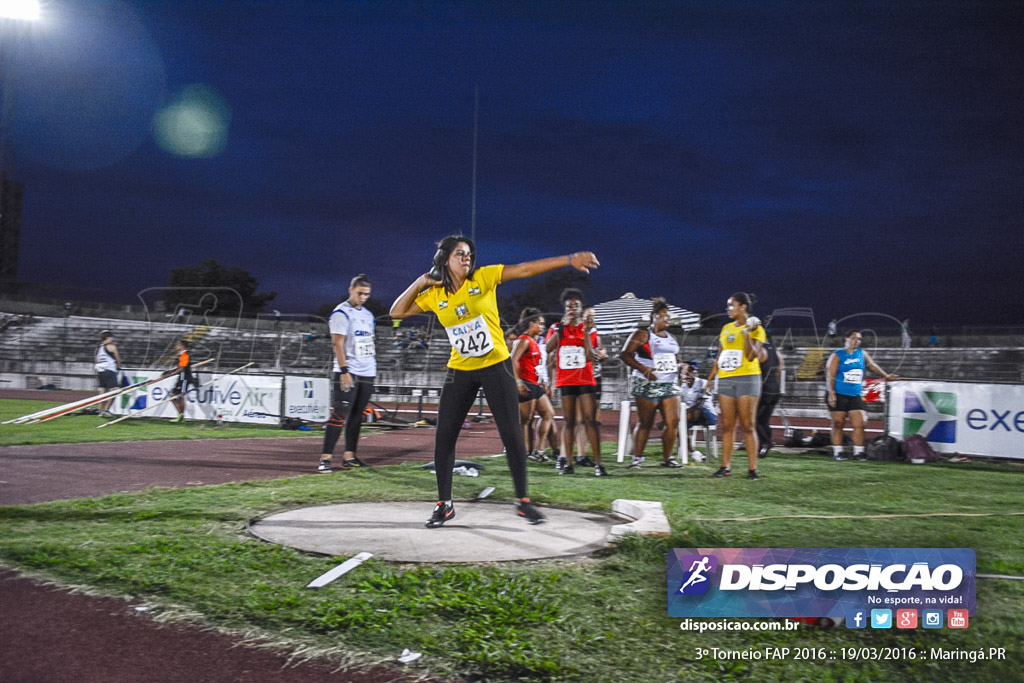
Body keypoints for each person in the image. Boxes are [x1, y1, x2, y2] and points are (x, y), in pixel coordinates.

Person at [390, 235, 599, 527]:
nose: (467, 258)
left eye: (470, 254)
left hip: (495, 365)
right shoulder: (435, 294)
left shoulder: (484, 277)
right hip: (459, 369)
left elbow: (524, 269)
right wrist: (421, 281)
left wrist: (568, 259)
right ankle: (444, 504)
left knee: (512, 433)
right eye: (460, 254)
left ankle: (523, 501)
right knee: (444, 437)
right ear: (445, 258)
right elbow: (396, 312)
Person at [317, 274, 377, 473]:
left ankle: (349, 456)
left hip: (367, 370)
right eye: (360, 293)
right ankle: (325, 458)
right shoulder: (341, 314)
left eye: (366, 294)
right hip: (348, 370)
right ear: (351, 290)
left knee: (357, 415)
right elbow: (338, 343)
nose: (363, 298)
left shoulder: (368, 315)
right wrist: (344, 371)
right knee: (340, 412)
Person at [546, 288, 608, 477]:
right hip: (566, 380)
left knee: (590, 421)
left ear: (581, 308)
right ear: (564, 309)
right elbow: (548, 348)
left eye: (576, 306)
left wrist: (587, 333)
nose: (573, 309)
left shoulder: (587, 328)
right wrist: (562, 329)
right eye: (569, 306)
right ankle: (568, 463)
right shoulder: (557, 327)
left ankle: (598, 464)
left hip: (585, 379)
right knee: (569, 421)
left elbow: (590, 356)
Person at [705, 292, 766, 480]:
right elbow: (720, 355)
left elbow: (750, 355)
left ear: (743, 307)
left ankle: (752, 469)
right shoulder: (726, 328)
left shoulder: (756, 328)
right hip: (726, 379)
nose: (728, 309)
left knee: (748, 425)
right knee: (727, 426)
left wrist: (747, 333)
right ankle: (725, 466)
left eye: (731, 305)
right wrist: (710, 378)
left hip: (748, 378)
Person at [620, 298, 683, 468]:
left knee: (673, 422)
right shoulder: (642, 334)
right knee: (645, 423)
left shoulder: (672, 338)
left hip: (669, 384)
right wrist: (643, 369)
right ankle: (637, 458)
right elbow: (625, 354)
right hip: (647, 384)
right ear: (655, 316)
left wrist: (681, 366)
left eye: (669, 316)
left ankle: (667, 458)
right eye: (664, 316)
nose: (667, 319)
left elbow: (676, 359)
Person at [825, 330, 898, 461]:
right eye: (853, 338)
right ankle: (838, 451)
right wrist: (831, 393)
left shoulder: (862, 354)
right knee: (838, 423)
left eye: (859, 339)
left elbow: (872, 366)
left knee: (861, 422)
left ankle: (858, 452)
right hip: (838, 393)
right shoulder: (837, 355)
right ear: (846, 339)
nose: (856, 341)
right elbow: (830, 374)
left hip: (855, 394)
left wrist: (886, 376)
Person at [510, 308, 549, 458]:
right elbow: (513, 361)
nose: (542, 327)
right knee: (526, 420)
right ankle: (523, 452)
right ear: (531, 323)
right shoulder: (524, 340)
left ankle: (539, 450)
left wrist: (543, 380)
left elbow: (535, 364)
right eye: (540, 323)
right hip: (525, 382)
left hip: (535, 383)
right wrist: (518, 382)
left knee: (548, 413)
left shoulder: (534, 341)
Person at [756, 334, 785, 458]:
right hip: (775, 389)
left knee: (753, 420)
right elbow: (779, 371)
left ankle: (765, 442)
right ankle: (763, 445)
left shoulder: (760, 350)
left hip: (764, 389)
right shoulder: (777, 352)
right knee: (764, 420)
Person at [679, 361, 717, 452]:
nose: (688, 373)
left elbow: (701, 402)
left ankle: (682, 418)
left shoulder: (702, 383)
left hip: (706, 414)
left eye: (691, 371)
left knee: (696, 411)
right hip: (690, 416)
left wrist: (685, 413)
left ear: (696, 372)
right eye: (687, 371)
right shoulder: (683, 385)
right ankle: (693, 452)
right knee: (678, 426)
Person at [94, 330, 123, 417]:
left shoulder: (97, 348)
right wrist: (118, 366)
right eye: (111, 337)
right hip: (110, 370)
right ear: (108, 338)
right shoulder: (111, 347)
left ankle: (100, 411)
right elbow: (117, 358)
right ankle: (106, 409)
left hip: (100, 371)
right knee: (114, 391)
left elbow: (96, 360)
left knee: (102, 391)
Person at [169, 339, 195, 423]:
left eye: (178, 345)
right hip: (181, 378)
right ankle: (180, 415)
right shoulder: (181, 355)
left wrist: (171, 373)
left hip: (185, 378)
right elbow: (179, 367)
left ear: (181, 346)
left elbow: (182, 369)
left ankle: (180, 415)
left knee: (180, 396)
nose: (176, 347)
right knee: (173, 396)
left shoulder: (185, 355)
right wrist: (170, 371)